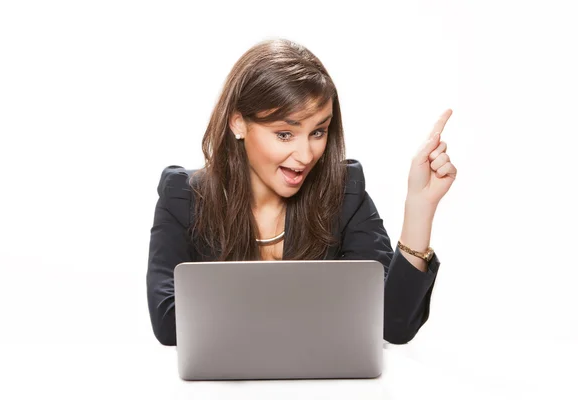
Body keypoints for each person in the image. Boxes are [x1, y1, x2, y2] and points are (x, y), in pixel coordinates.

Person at [147, 38, 457, 347]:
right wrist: (321, 311)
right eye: (285, 134)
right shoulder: (183, 197)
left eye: (318, 132)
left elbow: (392, 324)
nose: (305, 154)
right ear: (238, 123)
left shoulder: (344, 193)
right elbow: (169, 324)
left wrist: (420, 206)